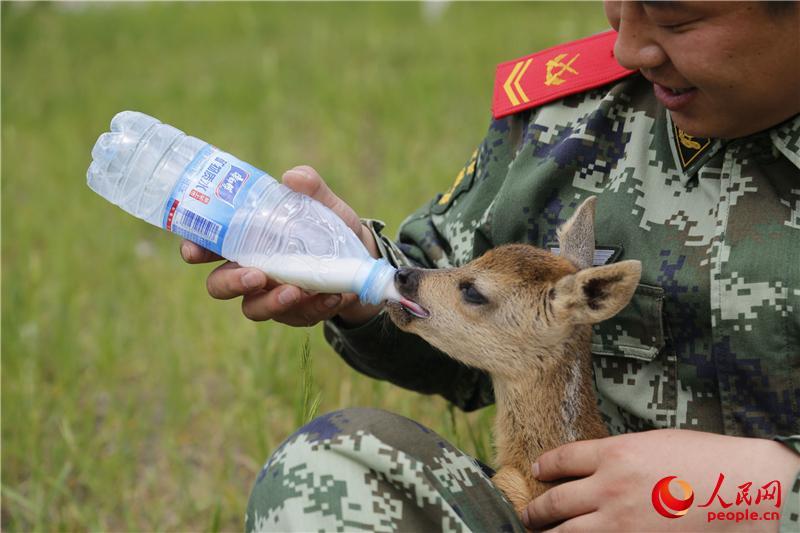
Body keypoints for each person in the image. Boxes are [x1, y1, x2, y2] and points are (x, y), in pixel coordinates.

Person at [182, 2, 800, 531]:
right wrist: (356, 275)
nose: (628, 47)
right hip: (553, 508)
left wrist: (765, 494)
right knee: (329, 468)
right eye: (617, 2)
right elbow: (458, 310)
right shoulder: (571, 118)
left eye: (678, 19)